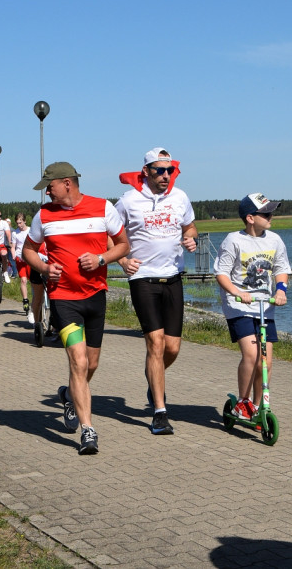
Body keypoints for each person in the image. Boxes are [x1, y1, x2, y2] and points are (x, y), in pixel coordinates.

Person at [23, 162, 130, 455]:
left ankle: (69, 395)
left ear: (67, 183)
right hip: (63, 298)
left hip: (95, 297)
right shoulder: (43, 215)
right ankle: (88, 430)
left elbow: (123, 244)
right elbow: (28, 250)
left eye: (50, 185)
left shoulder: (103, 208)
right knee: (79, 362)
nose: (47, 191)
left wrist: (101, 259)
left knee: (91, 364)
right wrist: (45, 268)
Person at [115, 147, 198, 435]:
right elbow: (109, 233)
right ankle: (160, 412)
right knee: (155, 343)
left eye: (169, 170)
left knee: (172, 347)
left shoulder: (180, 197)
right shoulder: (128, 200)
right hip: (143, 279)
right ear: (147, 172)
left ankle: (154, 375)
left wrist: (190, 238)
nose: (166, 175)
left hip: (173, 277)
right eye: (160, 170)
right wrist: (123, 260)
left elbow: (190, 227)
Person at [213, 193, 291, 425]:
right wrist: (236, 292)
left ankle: (259, 407)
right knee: (251, 355)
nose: (270, 216)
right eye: (265, 213)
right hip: (239, 307)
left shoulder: (275, 240)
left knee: (265, 361)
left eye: (271, 212)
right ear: (250, 217)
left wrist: (281, 290)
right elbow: (222, 274)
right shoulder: (233, 240)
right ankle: (243, 402)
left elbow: (281, 268)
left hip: (265, 307)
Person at [12, 212, 35, 323]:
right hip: (20, 259)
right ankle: (25, 300)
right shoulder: (15, 233)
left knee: (32, 281)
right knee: (23, 280)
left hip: (30, 259)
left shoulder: (30, 231)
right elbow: (13, 246)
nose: (19, 225)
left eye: (20, 222)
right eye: (17, 223)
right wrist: (14, 255)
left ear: (25, 221)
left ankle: (35, 301)